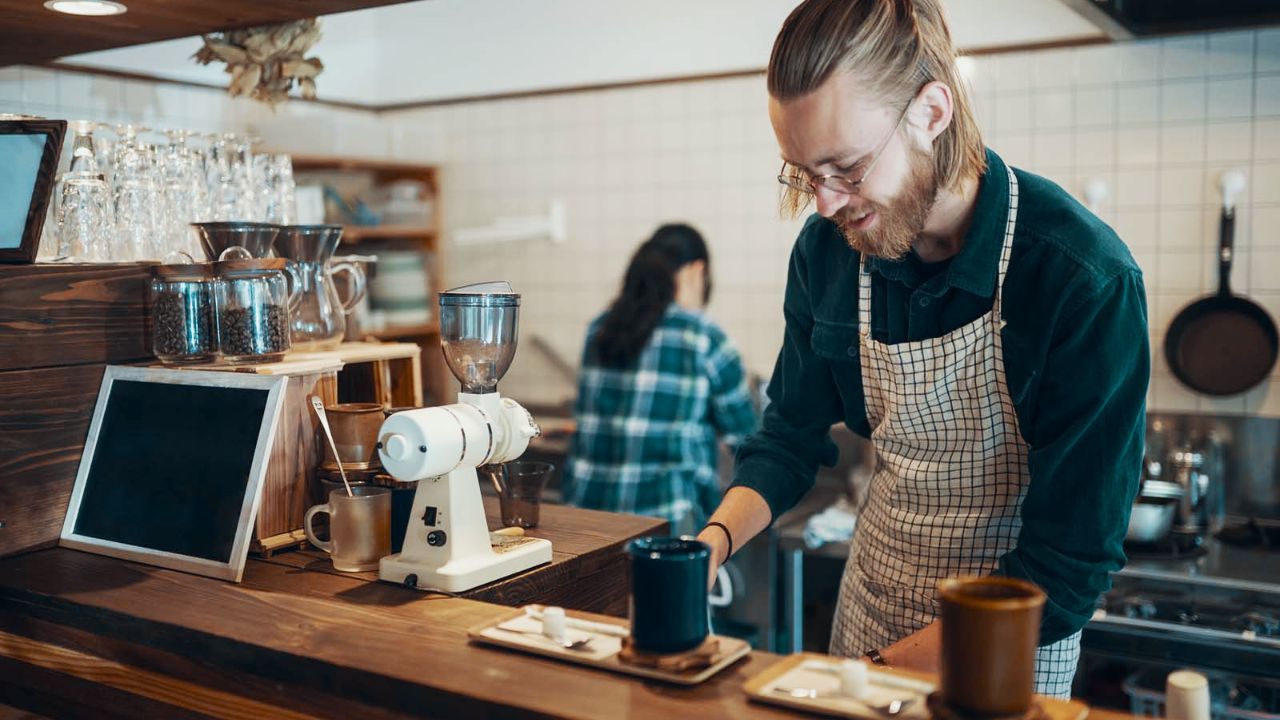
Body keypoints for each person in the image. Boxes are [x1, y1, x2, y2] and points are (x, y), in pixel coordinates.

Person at [694, 0, 1148, 696]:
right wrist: (708, 548)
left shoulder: (1079, 278)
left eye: (845, 167)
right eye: (803, 174)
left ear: (931, 112)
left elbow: (1071, 558)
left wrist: (878, 677)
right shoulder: (831, 252)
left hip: (1007, 645)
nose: (823, 203)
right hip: (874, 597)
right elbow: (788, 437)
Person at [564, 224, 758, 537]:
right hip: (666, 526)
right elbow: (749, 443)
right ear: (697, 270)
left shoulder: (599, 329)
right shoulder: (705, 338)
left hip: (588, 522)